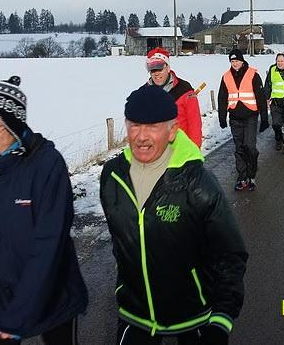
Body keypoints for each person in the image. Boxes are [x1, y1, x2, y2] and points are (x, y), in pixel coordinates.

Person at [100, 85, 247, 344]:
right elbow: (120, 242)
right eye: (135, 125)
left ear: (172, 131)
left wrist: (221, 319)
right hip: (135, 315)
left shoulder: (198, 183)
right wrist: (124, 285)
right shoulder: (112, 176)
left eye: (153, 126)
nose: (141, 137)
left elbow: (230, 253)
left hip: (194, 316)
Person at [0, 76, 88, 344]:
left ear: (14, 124)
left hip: (52, 288)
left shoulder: (47, 165)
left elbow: (49, 243)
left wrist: (19, 312)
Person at [217, 49, 269, 191]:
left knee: (249, 147)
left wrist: (264, 117)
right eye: (232, 61)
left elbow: (260, 97)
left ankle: (251, 175)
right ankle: (242, 177)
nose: (235, 64)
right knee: (239, 148)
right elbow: (222, 98)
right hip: (234, 118)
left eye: (237, 61)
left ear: (242, 61)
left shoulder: (253, 75)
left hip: (251, 116)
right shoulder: (226, 77)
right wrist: (222, 117)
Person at [145, 47, 203, 148]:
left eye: (159, 68)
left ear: (168, 68)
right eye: (152, 70)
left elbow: (195, 125)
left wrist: (194, 153)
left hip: (180, 152)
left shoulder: (184, 90)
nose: (156, 73)